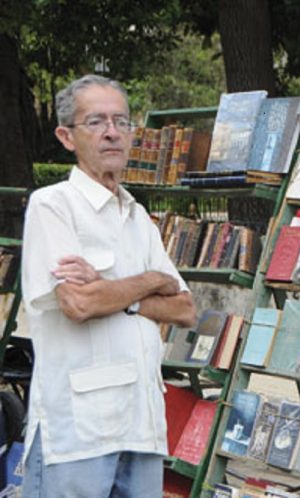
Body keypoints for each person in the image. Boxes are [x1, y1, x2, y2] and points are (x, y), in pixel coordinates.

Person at [21, 74, 197, 497]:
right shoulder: (53, 205)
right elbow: (79, 303)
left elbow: (186, 309)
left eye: (121, 121)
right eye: (96, 121)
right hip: (78, 431)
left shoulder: (138, 217)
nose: (112, 132)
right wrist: (150, 282)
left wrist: (115, 291)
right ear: (67, 136)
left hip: (142, 421)